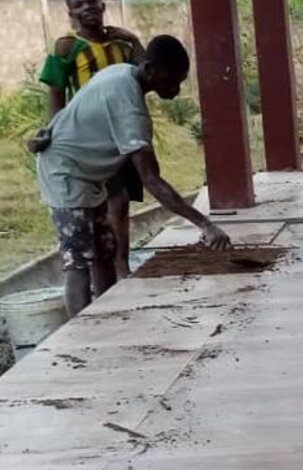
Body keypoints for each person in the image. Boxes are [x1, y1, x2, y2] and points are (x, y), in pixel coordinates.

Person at [36, 35, 231, 318]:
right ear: (149, 69)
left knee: (105, 249)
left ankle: (107, 316)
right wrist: (205, 224)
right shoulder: (127, 104)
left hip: (87, 174)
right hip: (64, 173)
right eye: (171, 80)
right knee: (79, 261)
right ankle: (81, 331)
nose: (175, 90)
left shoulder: (123, 73)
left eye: (179, 82)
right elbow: (151, 180)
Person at [31, 0, 147, 279]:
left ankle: (120, 264)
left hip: (122, 134)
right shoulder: (67, 47)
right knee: (104, 202)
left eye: (92, 1)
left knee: (120, 201)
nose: (87, 8)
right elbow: (56, 93)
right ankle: (107, 271)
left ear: (103, 6)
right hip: (88, 138)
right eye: (79, 5)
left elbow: (150, 72)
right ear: (71, 13)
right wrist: (55, 132)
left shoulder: (122, 45)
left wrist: (134, 39)